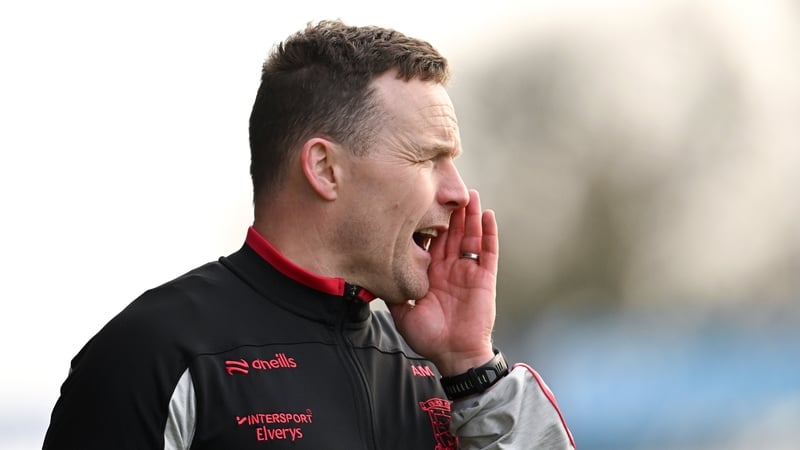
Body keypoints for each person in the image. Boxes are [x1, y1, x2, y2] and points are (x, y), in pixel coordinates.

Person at [43, 20, 575, 449]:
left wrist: (470, 368)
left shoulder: (444, 373)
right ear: (324, 168)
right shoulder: (156, 354)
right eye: (427, 158)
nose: (459, 192)